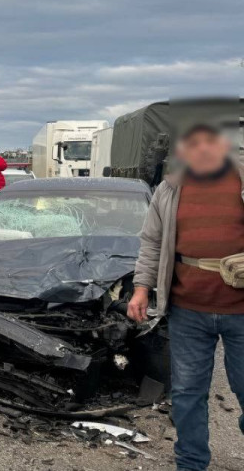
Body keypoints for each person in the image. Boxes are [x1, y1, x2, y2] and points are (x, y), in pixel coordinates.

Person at [128, 120, 244, 471]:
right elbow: (151, 242)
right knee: (187, 394)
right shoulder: (170, 188)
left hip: (241, 311)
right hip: (188, 310)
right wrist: (141, 288)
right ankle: (191, 463)